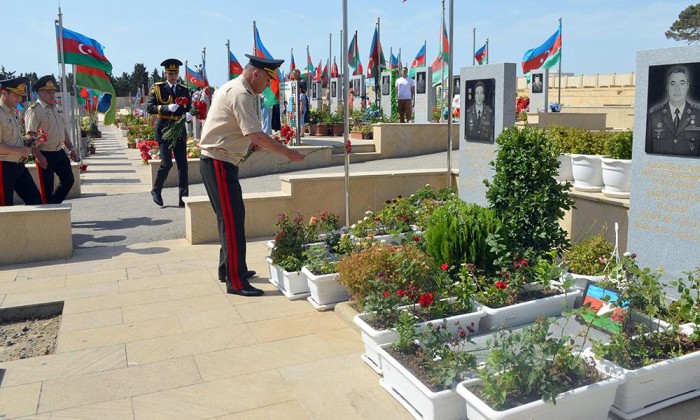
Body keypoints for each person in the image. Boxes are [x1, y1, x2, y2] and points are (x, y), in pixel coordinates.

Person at [199, 54, 305, 297]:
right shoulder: (241, 93)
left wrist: (251, 144)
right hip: (218, 162)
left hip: (220, 161)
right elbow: (256, 135)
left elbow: (242, 132)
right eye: (267, 81)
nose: (267, 87)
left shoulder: (235, 87)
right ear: (255, 74)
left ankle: (231, 269)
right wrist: (288, 153)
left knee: (230, 219)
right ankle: (235, 282)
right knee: (232, 221)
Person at [24, 75, 76, 204]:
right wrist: (39, 156)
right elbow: (31, 136)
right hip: (45, 154)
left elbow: (63, 131)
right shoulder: (35, 110)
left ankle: (54, 206)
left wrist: (71, 148)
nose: (52, 95)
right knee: (47, 189)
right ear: (39, 93)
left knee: (68, 180)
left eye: (53, 92)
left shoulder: (56, 108)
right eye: (48, 92)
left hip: (59, 152)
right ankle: (50, 214)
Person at [147, 58, 192, 207]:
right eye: (170, 73)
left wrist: (189, 115)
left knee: (183, 166)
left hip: (179, 130)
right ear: (165, 73)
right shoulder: (158, 88)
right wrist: (166, 108)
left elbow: (188, 109)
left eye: (175, 73)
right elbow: (150, 107)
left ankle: (183, 198)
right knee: (166, 164)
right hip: (164, 129)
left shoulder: (184, 89)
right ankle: (156, 190)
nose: (173, 76)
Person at [0, 77, 42, 206]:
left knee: (36, 201)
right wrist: (20, 150)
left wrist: (29, 141)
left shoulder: (12, 112)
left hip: (18, 165)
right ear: (4, 93)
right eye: (15, 95)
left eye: (20, 96)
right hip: (4, 167)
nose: (19, 99)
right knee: (5, 208)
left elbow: (12, 139)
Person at [647, 67, 700, 156]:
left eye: (681, 83)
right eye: (673, 84)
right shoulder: (654, 116)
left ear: (687, 86)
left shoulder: (698, 115)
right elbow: (647, 151)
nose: (677, 89)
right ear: (668, 87)